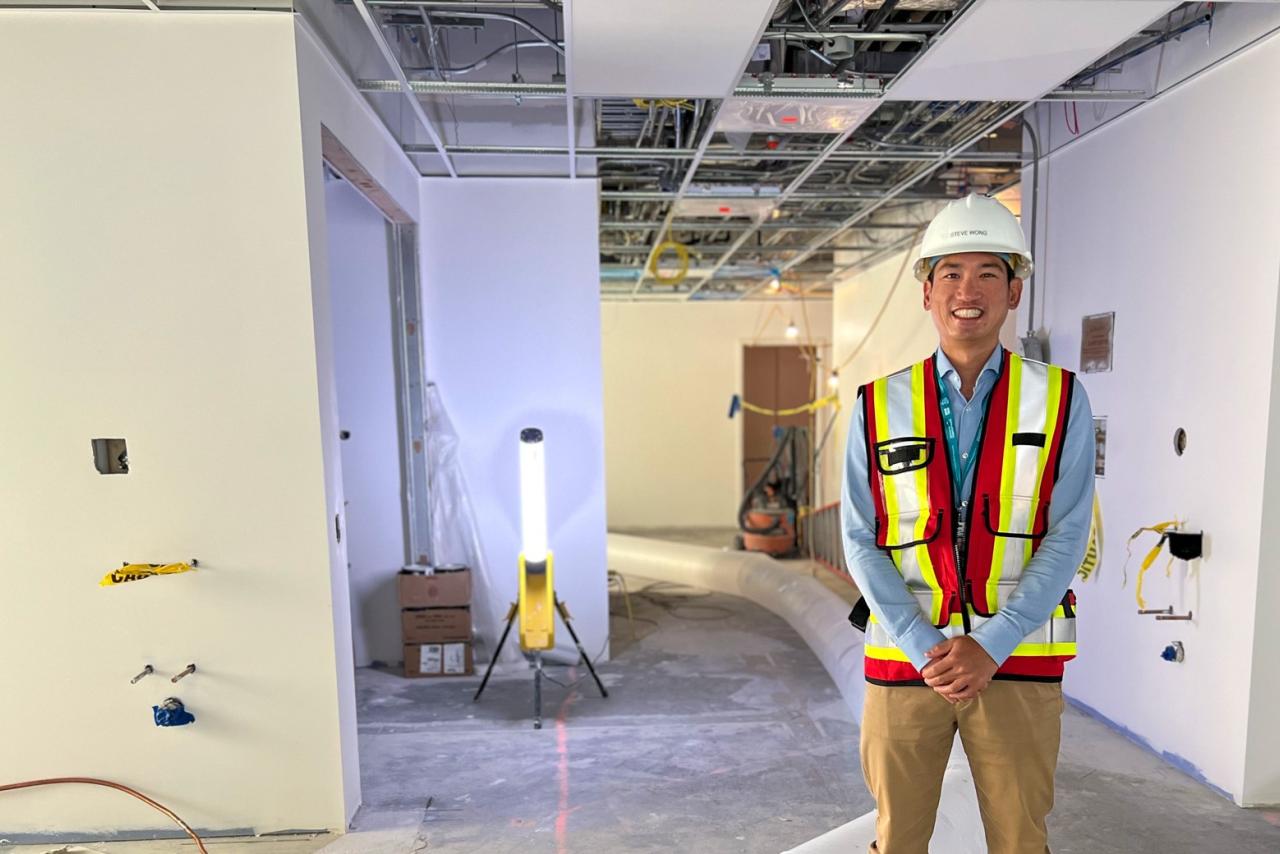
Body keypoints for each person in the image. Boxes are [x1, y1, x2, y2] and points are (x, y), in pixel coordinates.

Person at [840, 193, 1095, 854]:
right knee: (897, 842)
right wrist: (921, 639)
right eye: (950, 273)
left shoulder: (1061, 398)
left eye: (988, 273)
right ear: (926, 291)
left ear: (1014, 291)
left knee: (1019, 840)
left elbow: (1068, 534)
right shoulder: (877, 406)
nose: (967, 290)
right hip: (906, 662)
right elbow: (860, 538)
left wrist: (993, 642)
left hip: (1016, 664)